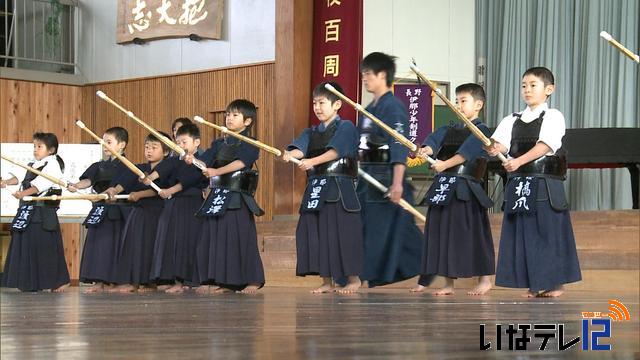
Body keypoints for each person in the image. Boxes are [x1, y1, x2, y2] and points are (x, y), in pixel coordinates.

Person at [486, 67, 581, 297]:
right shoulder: (511, 119)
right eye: (523, 85)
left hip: (543, 183)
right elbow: (501, 145)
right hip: (519, 184)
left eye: (533, 85)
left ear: (549, 89)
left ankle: (555, 284)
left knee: (546, 232)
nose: (527, 90)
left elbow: (545, 146)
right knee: (523, 232)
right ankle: (534, 283)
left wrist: (517, 162)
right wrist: (494, 148)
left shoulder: (553, 116)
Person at [412, 83, 495, 296]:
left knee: (473, 233)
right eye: (456, 101)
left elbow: (464, 155)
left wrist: (443, 165)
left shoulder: (482, 130)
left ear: (478, 104)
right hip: (444, 188)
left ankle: (485, 280)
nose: (458, 105)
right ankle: (448, 283)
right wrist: (424, 151)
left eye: (463, 101)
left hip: (466, 187)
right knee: (441, 233)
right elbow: (432, 144)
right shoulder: (448, 129)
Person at [284, 82, 364, 294]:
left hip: (339, 187)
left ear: (337, 104)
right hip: (316, 189)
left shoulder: (346, 127)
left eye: (322, 102)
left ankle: (354, 279)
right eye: (314, 103)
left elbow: (336, 151)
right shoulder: (310, 132)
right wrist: (289, 154)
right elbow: (299, 148)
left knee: (343, 233)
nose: (317, 107)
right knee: (316, 233)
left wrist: (312, 161)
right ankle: (326, 281)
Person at [356, 52, 423, 287]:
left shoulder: (393, 107)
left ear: (382, 75)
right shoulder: (369, 108)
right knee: (386, 228)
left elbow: (398, 145)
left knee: (383, 229)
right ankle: (429, 263)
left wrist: (397, 183)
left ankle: (429, 262)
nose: (364, 79)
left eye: (368, 74)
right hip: (367, 176)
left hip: (385, 176)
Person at [1, 132, 70, 292]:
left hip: (42, 213)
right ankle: (29, 282)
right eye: (34, 146)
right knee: (26, 244)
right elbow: (19, 177)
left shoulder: (53, 165)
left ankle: (56, 281)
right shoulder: (32, 163)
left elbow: (40, 185)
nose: (35, 150)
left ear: (51, 150)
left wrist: (23, 194)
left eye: (39, 147)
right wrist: (6, 182)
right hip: (28, 212)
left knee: (44, 247)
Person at [68, 127, 130, 293]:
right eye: (103, 142)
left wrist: (108, 193)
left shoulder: (128, 166)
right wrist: (75, 186)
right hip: (99, 209)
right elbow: (88, 180)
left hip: (117, 211)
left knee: (113, 245)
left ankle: (114, 280)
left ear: (122, 145)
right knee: (98, 245)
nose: (105, 145)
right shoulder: (98, 165)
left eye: (109, 142)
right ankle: (99, 281)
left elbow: (121, 186)